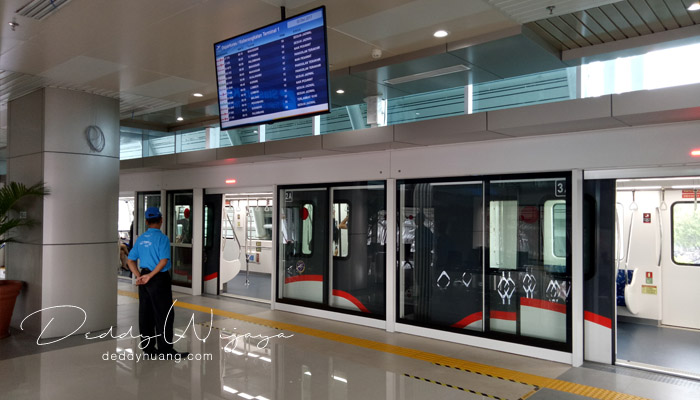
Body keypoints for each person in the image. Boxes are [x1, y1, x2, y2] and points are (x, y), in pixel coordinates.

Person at [127, 207, 188, 359]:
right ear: (161, 220)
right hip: (158, 278)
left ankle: (148, 349)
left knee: (145, 313)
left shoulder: (141, 238)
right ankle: (166, 350)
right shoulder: (163, 238)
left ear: (147, 222)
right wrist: (151, 276)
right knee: (164, 314)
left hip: (144, 277)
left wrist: (139, 276)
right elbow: (164, 260)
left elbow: (130, 260)